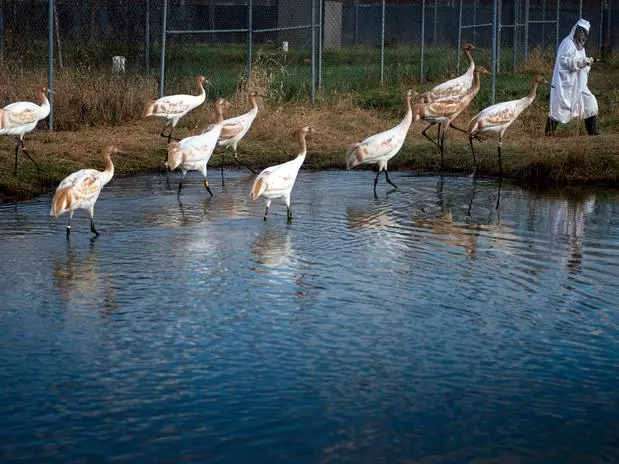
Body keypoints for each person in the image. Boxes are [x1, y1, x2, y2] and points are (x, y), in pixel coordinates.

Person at [545, 18, 599, 136]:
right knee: (559, 107)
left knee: (590, 102)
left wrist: (587, 63)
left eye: (585, 34)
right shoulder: (568, 43)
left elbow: (582, 64)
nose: (583, 36)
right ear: (576, 31)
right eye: (581, 32)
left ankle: (592, 132)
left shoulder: (581, 48)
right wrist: (582, 62)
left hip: (579, 84)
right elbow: (564, 62)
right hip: (565, 84)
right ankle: (549, 134)